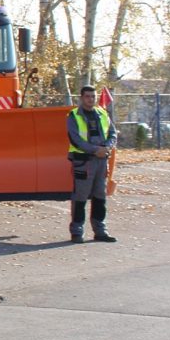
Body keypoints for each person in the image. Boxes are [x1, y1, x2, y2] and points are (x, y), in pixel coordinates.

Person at [67, 86, 118, 243]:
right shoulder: (73, 116)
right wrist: (96, 150)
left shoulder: (102, 113)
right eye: (88, 96)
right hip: (83, 162)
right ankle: (77, 232)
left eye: (93, 96)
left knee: (100, 197)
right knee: (80, 197)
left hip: (101, 162)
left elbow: (113, 134)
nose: (91, 99)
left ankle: (100, 231)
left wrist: (107, 147)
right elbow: (75, 139)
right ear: (82, 98)